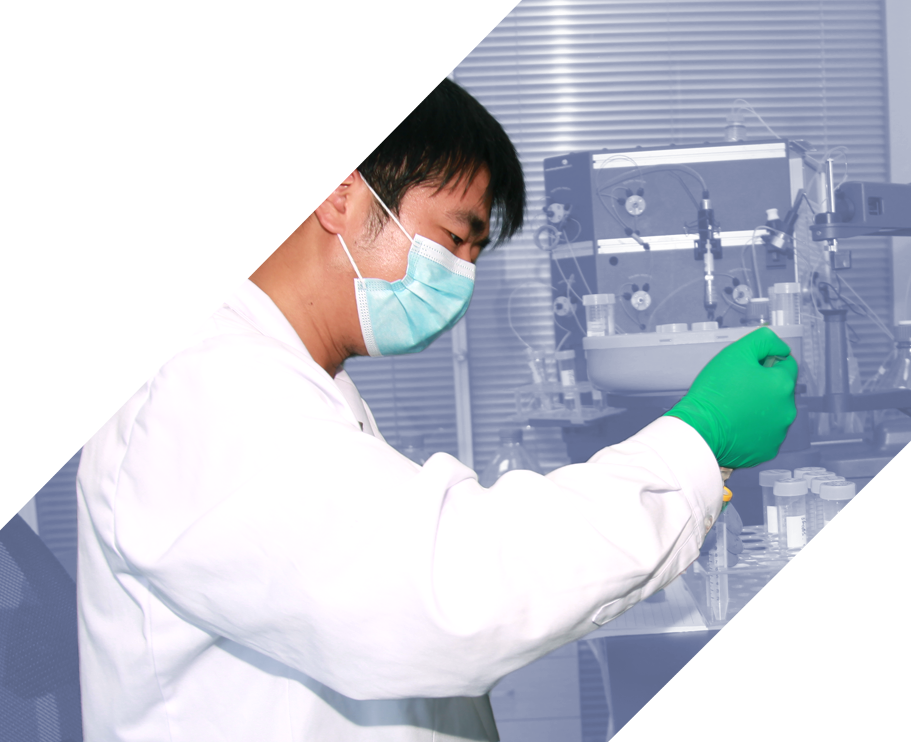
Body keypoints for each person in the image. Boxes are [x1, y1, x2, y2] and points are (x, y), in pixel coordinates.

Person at [75, 59, 798, 741]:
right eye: (456, 237)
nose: (461, 276)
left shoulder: (293, 378)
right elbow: (449, 591)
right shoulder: (202, 385)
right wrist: (695, 441)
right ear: (339, 199)